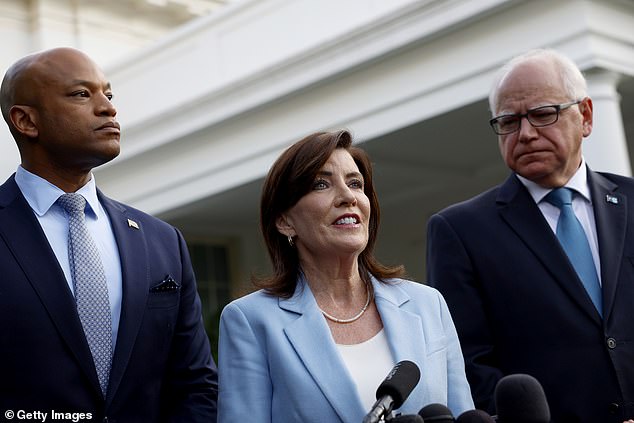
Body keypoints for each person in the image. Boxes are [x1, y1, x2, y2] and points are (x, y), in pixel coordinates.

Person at [0, 47, 217, 421]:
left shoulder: (164, 242)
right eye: (82, 94)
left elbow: (194, 383)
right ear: (26, 121)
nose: (109, 108)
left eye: (109, 94)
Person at [426, 48, 634, 423]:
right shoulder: (459, 231)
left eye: (542, 115)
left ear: (585, 115)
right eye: (508, 121)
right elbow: (467, 364)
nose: (525, 134)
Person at [217, 130, 474, 422]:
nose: (348, 197)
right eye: (321, 184)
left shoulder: (428, 304)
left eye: (355, 183)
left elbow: (463, 413)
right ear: (285, 221)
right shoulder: (250, 320)